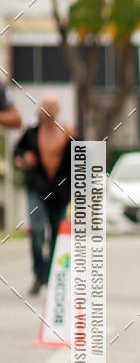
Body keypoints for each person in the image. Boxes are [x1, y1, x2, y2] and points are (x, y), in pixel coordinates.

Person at [14, 95, 75, 295]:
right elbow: (17, 153)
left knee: (57, 234)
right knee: (38, 229)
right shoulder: (31, 134)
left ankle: (49, 274)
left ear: (57, 110)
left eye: (52, 106)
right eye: (45, 106)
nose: (48, 109)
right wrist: (24, 158)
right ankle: (39, 272)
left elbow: (82, 158)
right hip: (36, 188)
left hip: (59, 190)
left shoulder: (67, 133)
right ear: (40, 109)